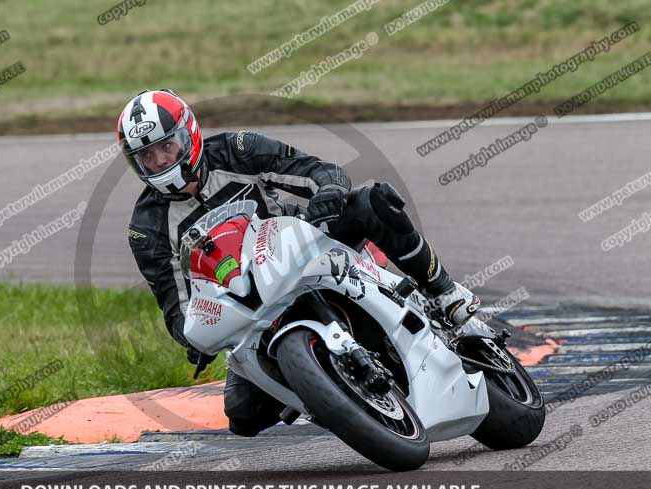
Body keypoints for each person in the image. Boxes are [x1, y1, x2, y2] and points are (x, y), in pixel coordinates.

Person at [121, 89, 480, 437]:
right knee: (242, 416)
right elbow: (174, 304)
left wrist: (328, 191)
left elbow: (315, 169)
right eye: (147, 157)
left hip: (302, 249)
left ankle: (444, 292)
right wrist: (196, 338)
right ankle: (324, 392)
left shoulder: (236, 149)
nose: (161, 162)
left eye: (166, 147)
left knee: (372, 202)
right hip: (248, 308)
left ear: (189, 135)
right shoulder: (146, 228)